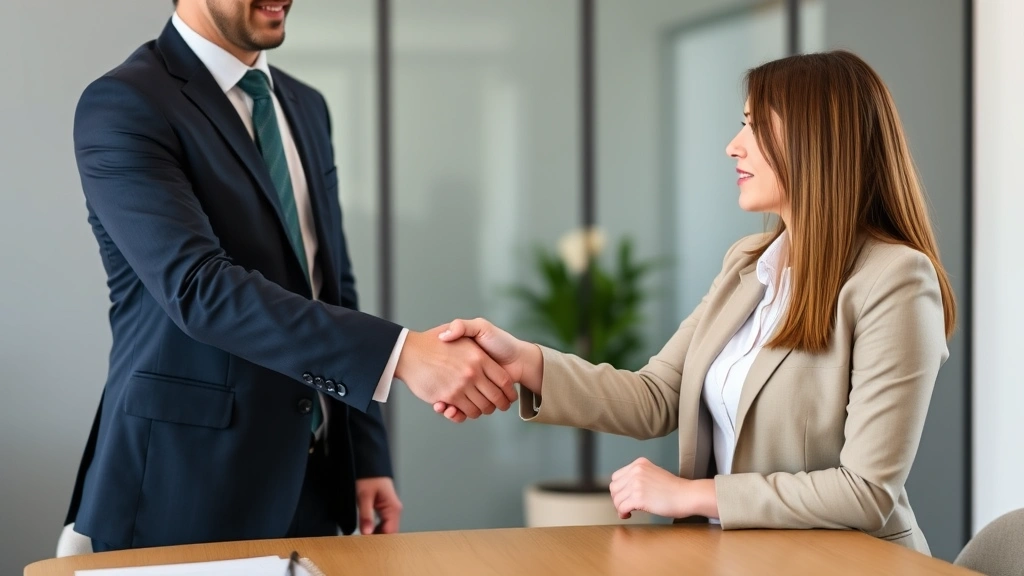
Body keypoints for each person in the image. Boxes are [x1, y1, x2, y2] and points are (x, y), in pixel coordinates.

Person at [434, 50, 956, 555]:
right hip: (733, 557)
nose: (733, 145)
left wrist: (690, 495)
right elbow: (657, 395)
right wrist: (526, 362)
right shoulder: (747, 265)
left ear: (816, 140)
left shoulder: (896, 280)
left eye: (754, 125)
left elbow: (867, 491)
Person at [64, 0, 516, 552]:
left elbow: (333, 287)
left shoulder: (305, 105)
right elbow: (200, 289)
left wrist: (363, 454)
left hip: (312, 479)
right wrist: (404, 355)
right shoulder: (126, 104)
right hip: (184, 485)